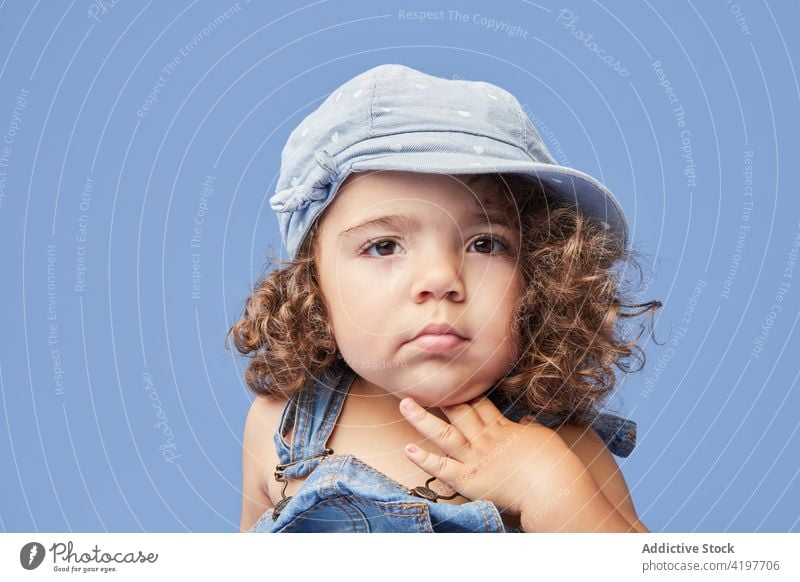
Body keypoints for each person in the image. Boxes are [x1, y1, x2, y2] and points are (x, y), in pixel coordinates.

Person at [228, 64, 661, 533]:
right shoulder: (279, 429)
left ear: (541, 279)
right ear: (312, 289)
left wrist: (545, 483)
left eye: (485, 244)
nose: (440, 279)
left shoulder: (565, 449)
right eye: (384, 246)